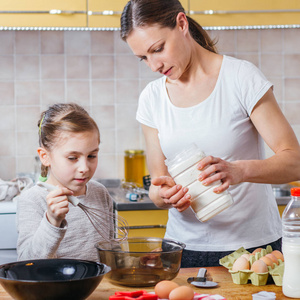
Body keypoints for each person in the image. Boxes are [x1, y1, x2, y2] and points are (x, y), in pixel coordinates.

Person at [120, 0, 300, 267]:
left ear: (182, 24)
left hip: (253, 249)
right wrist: (164, 196)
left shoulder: (241, 78)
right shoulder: (152, 98)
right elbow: (159, 184)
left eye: (157, 49)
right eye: (143, 58)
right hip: (182, 250)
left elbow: (294, 161)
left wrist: (240, 171)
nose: (153, 65)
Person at [16, 103, 114, 262]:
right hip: (53, 286)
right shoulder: (32, 200)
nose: (84, 168)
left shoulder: (100, 193)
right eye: (72, 158)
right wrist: (52, 221)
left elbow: (110, 251)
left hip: (96, 285)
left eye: (91, 156)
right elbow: (27, 262)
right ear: (45, 156)